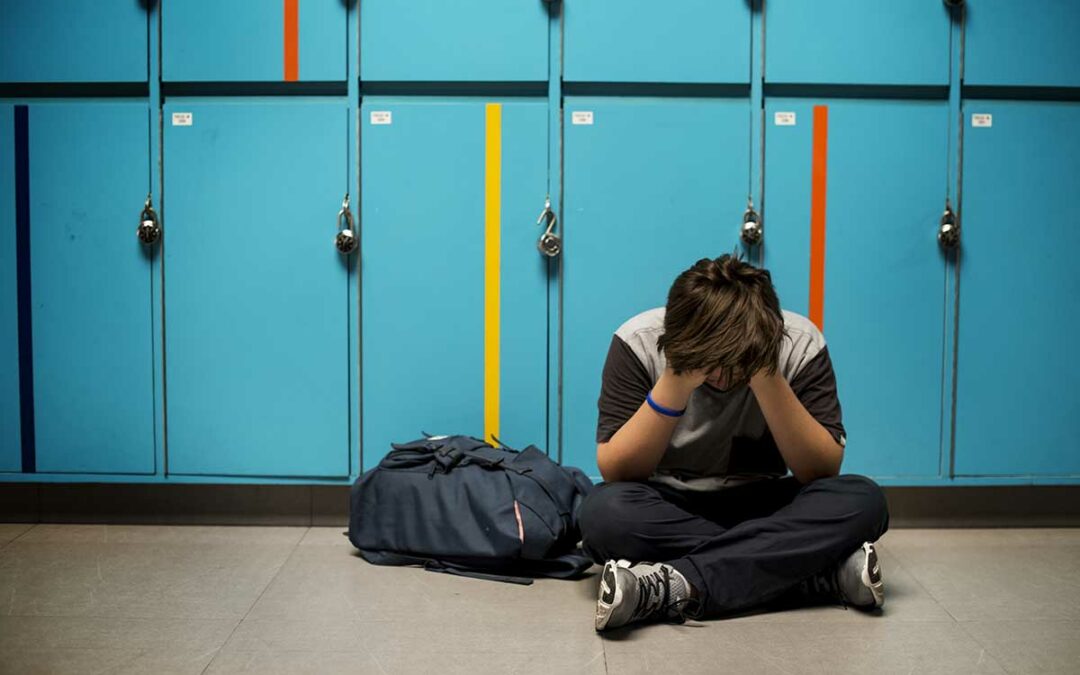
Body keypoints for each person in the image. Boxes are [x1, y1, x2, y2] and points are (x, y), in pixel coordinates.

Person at [581, 254, 889, 631]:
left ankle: (669, 585)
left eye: (735, 361)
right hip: (668, 504)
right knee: (603, 515)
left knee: (864, 501)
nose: (725, 378)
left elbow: (820, 470)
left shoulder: (799, 343)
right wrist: (677, 380)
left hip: (764, 502)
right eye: (714, 359)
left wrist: (765, 374)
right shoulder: (638, 341)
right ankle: (809, 572)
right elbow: (618, 470)